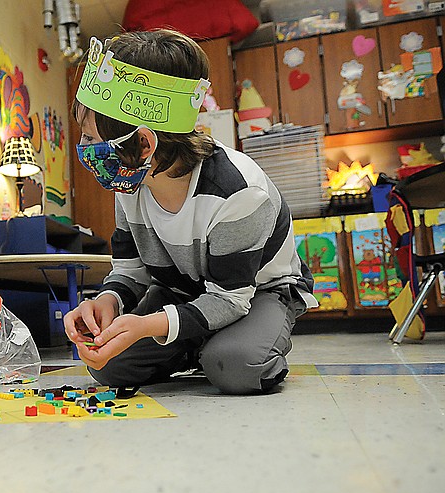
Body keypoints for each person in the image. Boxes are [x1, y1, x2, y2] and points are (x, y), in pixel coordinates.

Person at [63, 30, 318, 395]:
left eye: (91, 139)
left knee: (235, 367)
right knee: (110, 366)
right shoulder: (131, 181)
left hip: (257, 292)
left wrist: (149, 326)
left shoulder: (238, 193)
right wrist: (108, 300)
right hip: (181, 292)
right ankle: (194, 343)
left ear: (143, 143)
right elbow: (129, 271)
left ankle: (214, 345)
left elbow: (230, 298)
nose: (85, 149)